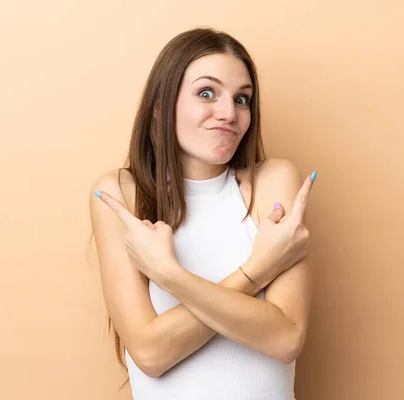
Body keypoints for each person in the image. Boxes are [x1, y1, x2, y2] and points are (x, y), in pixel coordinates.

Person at [88, 27, 317, 399]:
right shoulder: (121, 195)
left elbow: (285, 338)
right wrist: (256, 270)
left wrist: (169, 275)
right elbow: (149, 352)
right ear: (161, 106)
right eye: (206, 93)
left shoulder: (273, 181)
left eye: (243, 99)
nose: (229, 113)